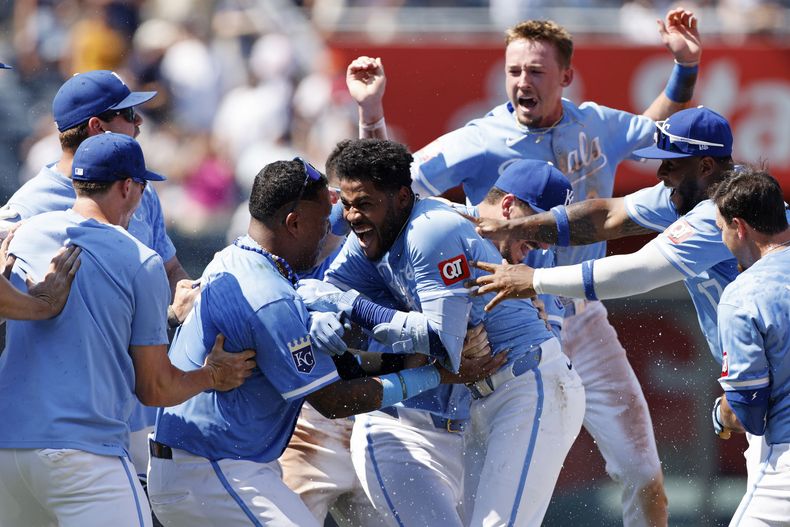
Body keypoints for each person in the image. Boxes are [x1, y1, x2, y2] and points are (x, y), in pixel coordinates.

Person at [347, 10, 703, 525]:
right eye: (514, 70)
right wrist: (372, 109)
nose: (522, 81)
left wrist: (684, 66)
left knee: (644, 471)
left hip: (582, 316)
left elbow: (656, 131)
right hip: (508, 314)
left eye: (536, 71)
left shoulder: (596, 122)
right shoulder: (481, 138)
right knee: (482, 488)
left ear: (565, 77)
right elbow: (389, 180)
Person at [146, 158, 502, 527]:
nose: (329, 231)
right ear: (294, 222)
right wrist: (438, 376)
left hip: (208, 466)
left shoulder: (234, 258)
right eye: (322, 221)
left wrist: (403, 362)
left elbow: (340, 366)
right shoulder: (269, 296)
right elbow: (333, 400)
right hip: (211, 469)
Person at [311, 138, 584, 526]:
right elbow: (322, 285)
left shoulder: (433, 229)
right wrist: (321, 310)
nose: (540, 241)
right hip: (469, 408)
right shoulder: (408, 225)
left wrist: (351, 306)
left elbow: (445, 344)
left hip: (524, 388)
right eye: (352, 204)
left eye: (362, 204)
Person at [0, 133, 255, 527]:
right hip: (83, 458)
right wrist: (213, 375)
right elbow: (154, 388)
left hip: (9, 453)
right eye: (142, 185)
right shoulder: (141, 260)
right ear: (126, 187)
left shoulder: (24, 234)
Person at [0, 69, 197, 480]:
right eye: (128, 115)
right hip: (66, 419)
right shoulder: (30, 208)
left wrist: (187, 296)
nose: (139, 122)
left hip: (138, 402)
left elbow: (170, 269)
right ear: (96, 126)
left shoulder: (138, 187)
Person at [470, 107, 738, 362]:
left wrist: (536, 279)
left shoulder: (721, 212)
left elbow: (639, 272)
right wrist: (515, 227)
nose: (660, 174)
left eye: (671, 164)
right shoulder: (696, 190)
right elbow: (607, 216)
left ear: (705, 166)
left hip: (774, 360)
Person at [709, 168, 790, 525]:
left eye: (721, 228)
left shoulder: (744, 294)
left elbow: (746, 412)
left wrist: (719, 415)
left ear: (739, 227)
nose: (722, 237)